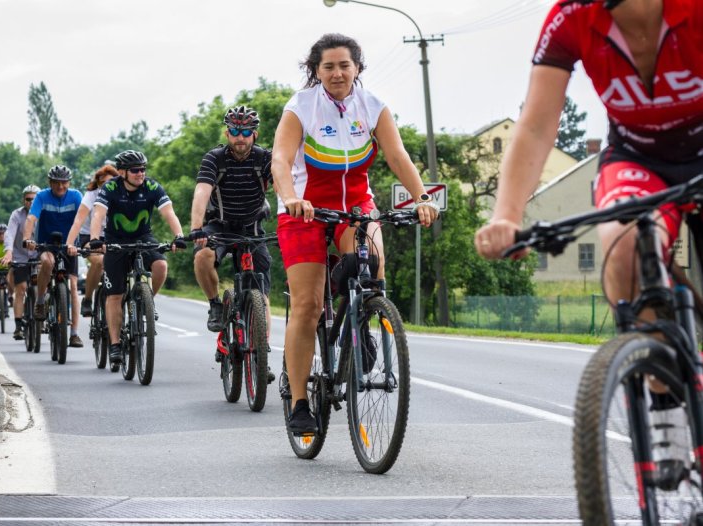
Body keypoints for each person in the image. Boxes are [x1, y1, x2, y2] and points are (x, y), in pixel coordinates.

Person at [474, 0, 702, 488]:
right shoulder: (570, 17)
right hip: (637, 156)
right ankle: (665, 405)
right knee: (622, 249)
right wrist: (507, 216)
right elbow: (536, 125)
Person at [271, 33, 439, 435]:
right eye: (328, 66)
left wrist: (421, 197)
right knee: (308, 307)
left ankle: (361, 322)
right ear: (316, 71)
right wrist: (291, 196)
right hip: (305, 209)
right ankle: (298, 402)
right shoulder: (301, 107)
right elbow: (281, 157)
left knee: (374, 264)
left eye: (344, 65)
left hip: (355, 206)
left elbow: (398, 156)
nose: (337, 73)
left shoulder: (373, 106)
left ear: (357, 68)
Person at [89, 150, 185, 365]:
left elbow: (169, 212)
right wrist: (96, 238)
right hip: (116, 239)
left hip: (143, 236)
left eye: (143, 169)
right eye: (135, 170)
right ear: (122, 172)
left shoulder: (151, 187)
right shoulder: (111, 187)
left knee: (160, 264)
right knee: (115, 294)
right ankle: (114, 345)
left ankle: (147, 301)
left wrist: (179, 236)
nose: (140, 173)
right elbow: (98, 214)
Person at [190, 105, 274, 337]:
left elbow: (284, 186)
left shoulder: (264, 158)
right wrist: (197, 228)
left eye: (246, 132)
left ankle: (261, 353)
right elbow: (201, 192)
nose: (240, 137)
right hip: (220, 225)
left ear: (254, 134)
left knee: (262, 297)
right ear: (227, 134)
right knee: (202, 255)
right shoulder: (215, 158)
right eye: (235, 132)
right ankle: (215, 304)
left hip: (252, 226)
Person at [23, 165, 84, 348]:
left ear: (69, 182)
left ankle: (74, 334)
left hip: (69, 245)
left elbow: (82, 219)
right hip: (46, 243)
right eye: (56, 183)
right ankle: (41, 301)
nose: (60, 186)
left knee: (73, 286)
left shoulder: (75, 196)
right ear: (50, 183)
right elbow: (31, 219)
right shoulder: (41, 196)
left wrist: (80, 243)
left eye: (64, 182)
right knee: (47, 263)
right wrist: (27, 238)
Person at [66, 164, 119, 317]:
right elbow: (78, 220)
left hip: (112, 236)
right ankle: (88, 299)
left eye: (110, 183)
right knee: (99, 261)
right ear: (97, 184)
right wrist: (69, 243)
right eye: (102, 184)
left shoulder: (121, 194)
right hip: (89, 236)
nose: (106, 187)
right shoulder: (91, 195)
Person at [0, 185, 40, 340]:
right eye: (28, 199)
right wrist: (8, 252)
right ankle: (18, 326)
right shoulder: (16, 214)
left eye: (34, 199)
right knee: (21, 288)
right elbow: (9, 233)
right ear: (23, 200)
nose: (31, 202)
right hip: (20, 255)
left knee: (44, 286)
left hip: (39, 254)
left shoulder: (44, 213)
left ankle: (47, 313)